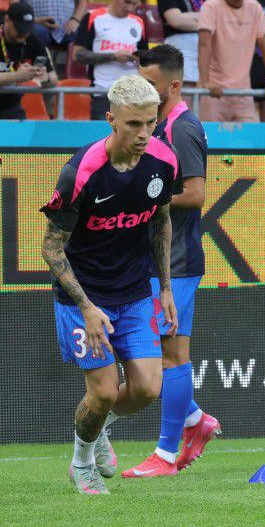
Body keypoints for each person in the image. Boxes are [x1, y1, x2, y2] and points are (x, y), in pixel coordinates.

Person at [41, 74, 181, 495]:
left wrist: (166, 288)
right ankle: (81, 461)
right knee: (101, 393)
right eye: (133, 124)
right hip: (83, 296)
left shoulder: (164, 161)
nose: (143, 134)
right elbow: (51, 249)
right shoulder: (80, 172)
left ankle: (99, 429)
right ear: (111, 120)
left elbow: (161, 223)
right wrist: (86, 306)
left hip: (135, 291)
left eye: (150, 123)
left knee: (147, 389)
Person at [120, 45, 218, 478]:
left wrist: (145, 199)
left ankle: (164, 455)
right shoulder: (156, 125)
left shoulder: (182, 128)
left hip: (177, 261)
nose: (144, 93)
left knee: (172, 357)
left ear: (175, 86)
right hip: (155, 260)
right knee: (151, 353)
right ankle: (196, 421)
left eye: (152, 87)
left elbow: (196, 194)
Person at [198, 0, 265, 123]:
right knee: (212, 144)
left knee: (246, 147)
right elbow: (204, 44)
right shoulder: (210, 6)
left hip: (243, 92)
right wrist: (205, 82)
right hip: (214, 90)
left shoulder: (254, 7)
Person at [74, 0, 148, 119]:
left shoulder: (138, 22)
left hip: (133, 95)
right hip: (102, 92)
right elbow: (78, 55)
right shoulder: (92, 18)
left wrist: (139, 58)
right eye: (126, 1)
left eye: (134, 4)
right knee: (103, 139)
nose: (130, 8)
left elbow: (146, 56)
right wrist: (113, 56)